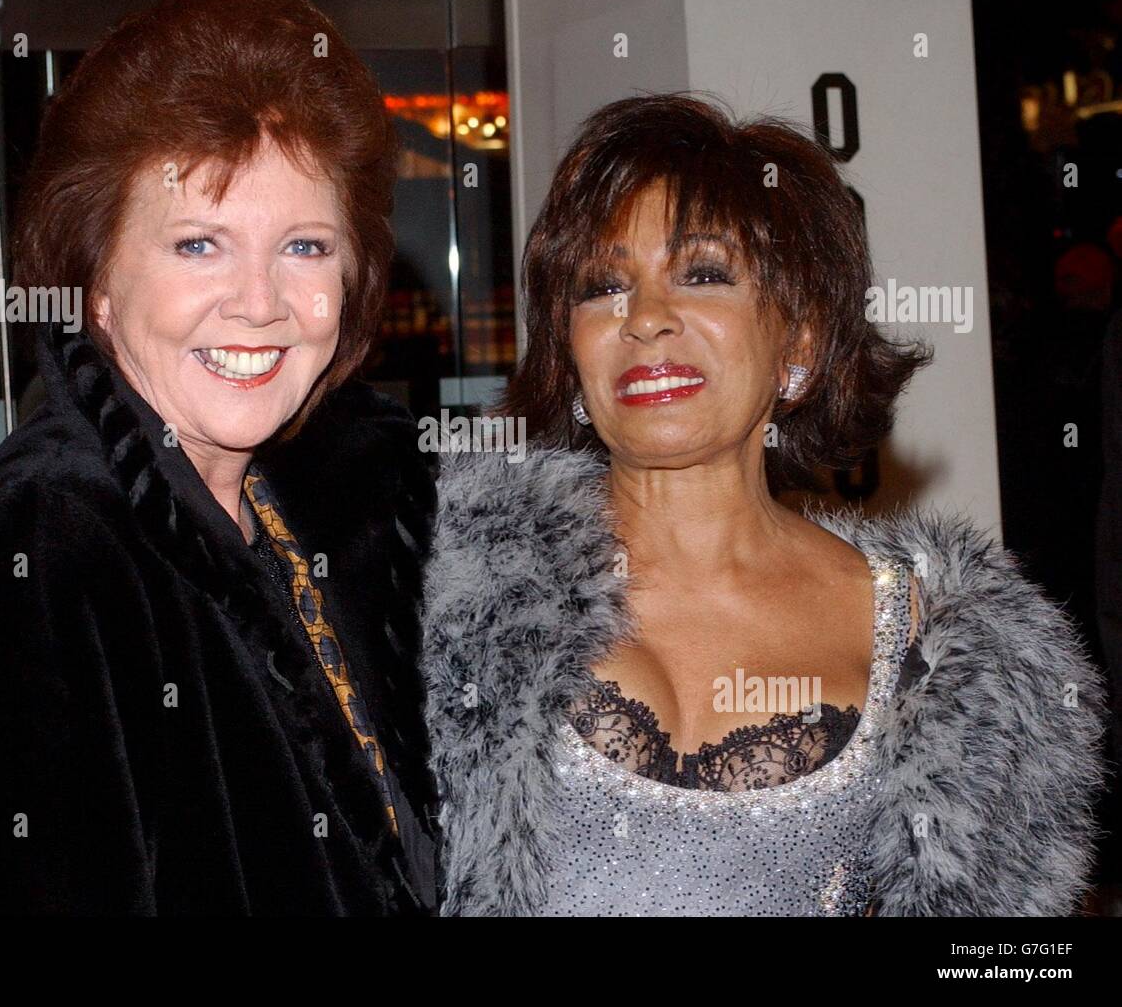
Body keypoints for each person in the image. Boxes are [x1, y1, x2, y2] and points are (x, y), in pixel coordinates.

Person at [421, 92, 1108, 916]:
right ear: (569, 353)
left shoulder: (947, 649)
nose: (644, 319)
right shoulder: (446, 592)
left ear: (801, 344)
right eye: (602, 286)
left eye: (703, 274)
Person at [0, 0, 438, 915]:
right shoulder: (40, 550)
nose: (259, 302)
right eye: (198, 245)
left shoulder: (290, 505)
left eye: (304, 246)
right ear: (94, 278)